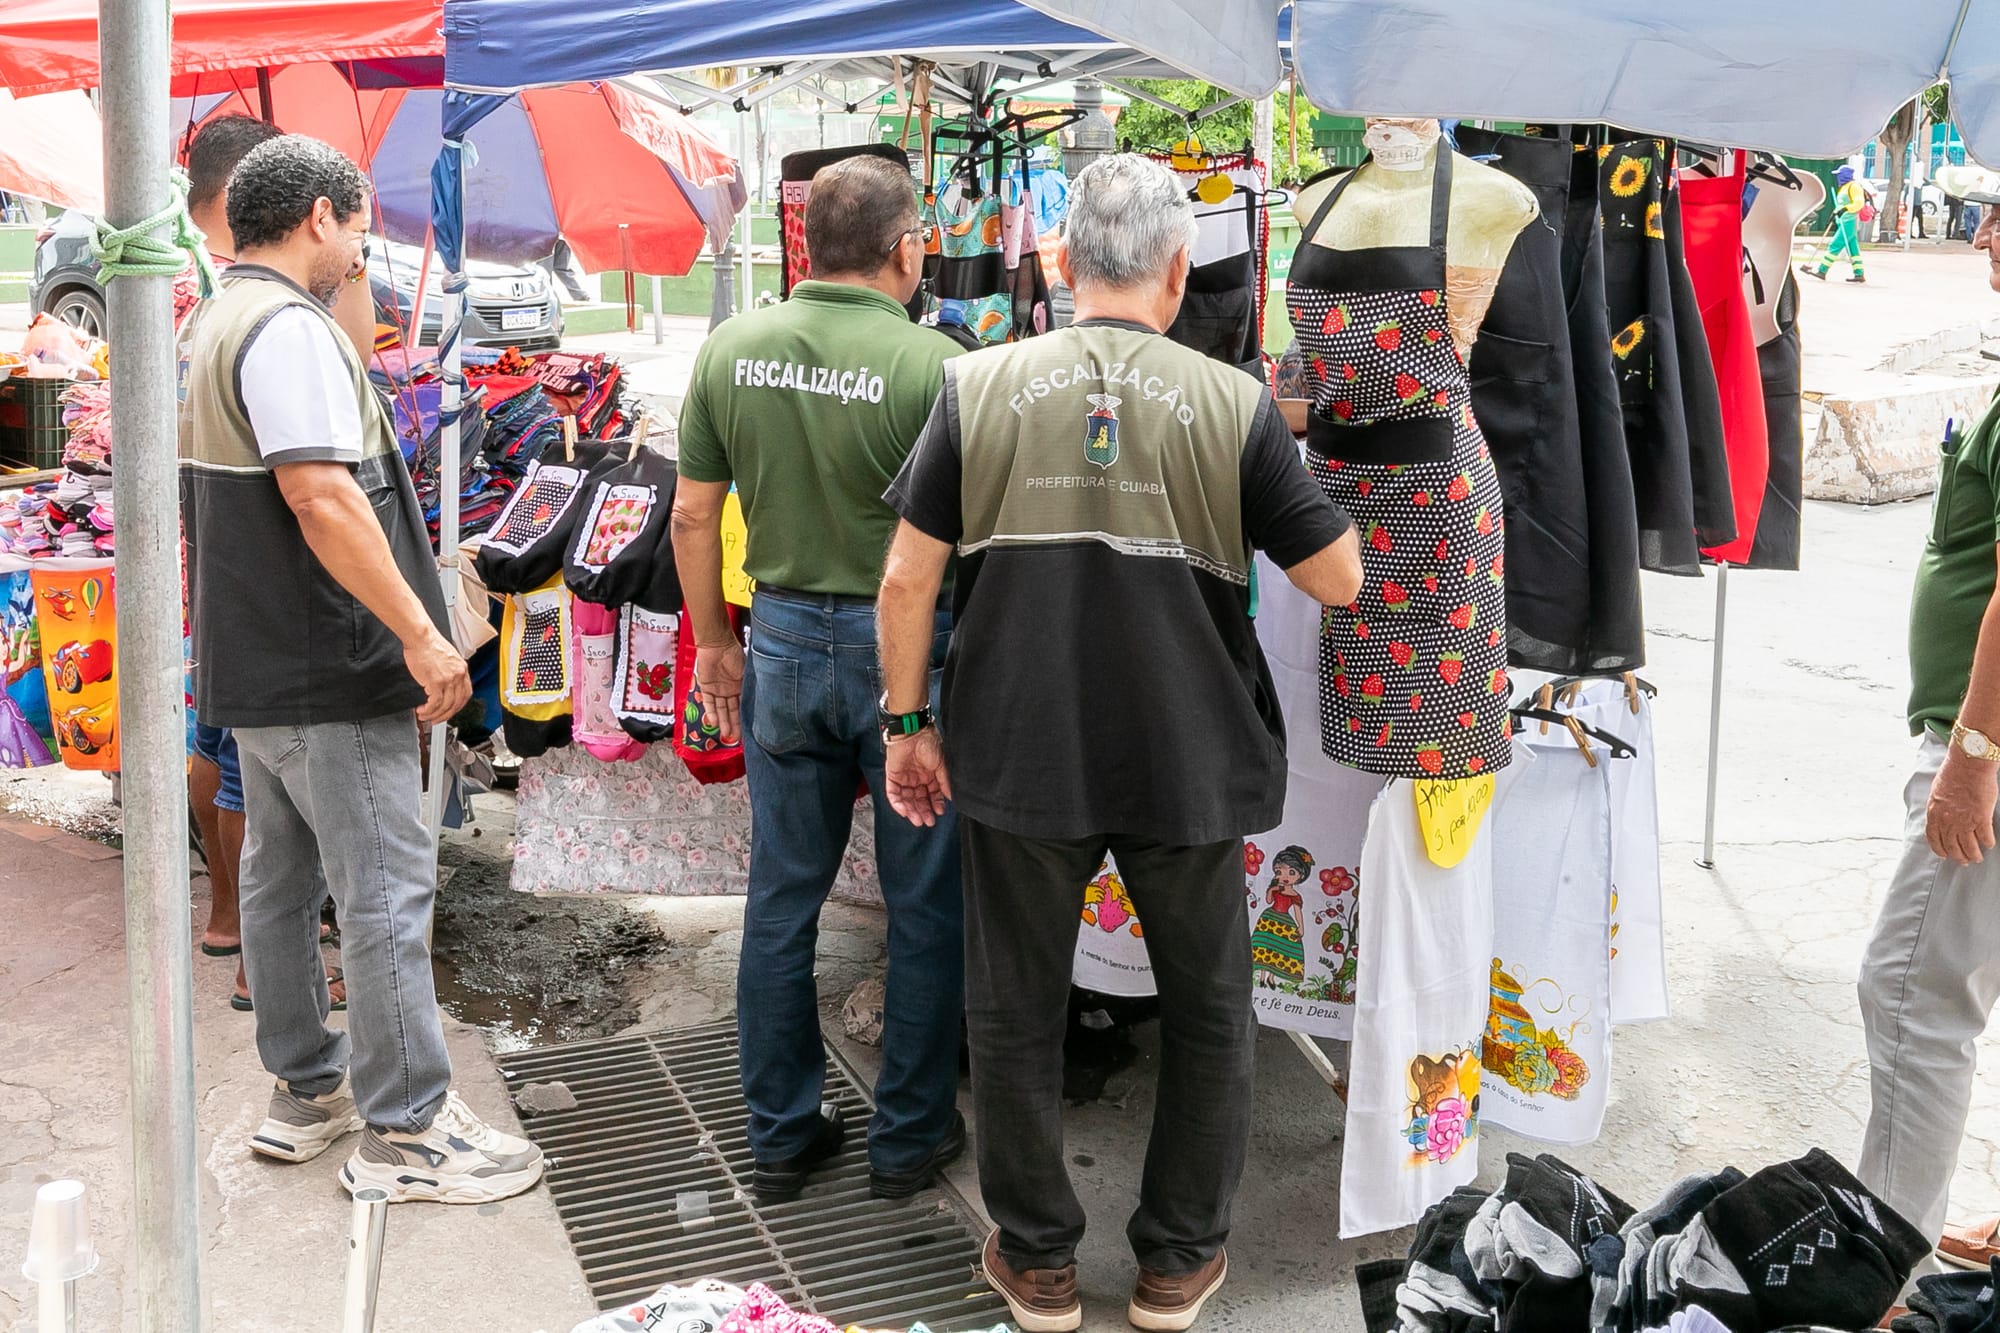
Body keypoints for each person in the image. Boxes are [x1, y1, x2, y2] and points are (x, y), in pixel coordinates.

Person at [875, 154, 1363, 1333]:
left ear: (1056, 263)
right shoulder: (1234, 401)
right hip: (1184, 755)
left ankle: (1037, 1262)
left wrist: (905, 724)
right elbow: (1338, 578)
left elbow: (904, 577)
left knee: (1013, 1006)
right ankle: (1176, 1264)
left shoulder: (975, 386)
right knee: (1206, 1009)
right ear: (1178, 268)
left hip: (1018, 745)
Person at [179, 134, 542, 1203]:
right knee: (383, 890)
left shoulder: (220, 315)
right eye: (355, 225)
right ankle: (409, 1128)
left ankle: (309, 1093)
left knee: (281, 884)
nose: (358, 248)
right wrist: (423, 636)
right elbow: (322, 497)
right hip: (326, 665)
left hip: (260, 659)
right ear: (320, 219)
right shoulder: (286, 328)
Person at [668, 155, 968, 1204]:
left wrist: (713, 637)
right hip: (905, 656)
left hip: (782, 641)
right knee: (924, 903)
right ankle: (906, 1141)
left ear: (803, 245)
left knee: (781, 896)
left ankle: (783, 1133)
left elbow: (692, 514)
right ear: (904, 247)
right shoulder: (936, 365)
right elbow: (957, 543)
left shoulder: (732, 348)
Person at [1859, 191, 2000, 1298]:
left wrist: (1972, 752)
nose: (1980, 237)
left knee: (1909, 993)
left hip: (1988, 744)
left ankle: (1876, 1265)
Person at [177, 113, 350, 1012]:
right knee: (251, 766)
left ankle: (230, 930)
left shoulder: (205, 292)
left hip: (217, 576)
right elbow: (318, 494)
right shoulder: (261, 306)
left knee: (220, 745)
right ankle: (255, 951)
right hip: (275, 600)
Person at [1806, 165, 1868, 284]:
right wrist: (1834, 214)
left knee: (1835, 245)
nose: (1838, 177)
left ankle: (1822, 271)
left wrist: (1845, 209)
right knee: (1853, 249)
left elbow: (1859, 203)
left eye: (1839, 174)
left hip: (1849, 220)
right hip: (1842, 220)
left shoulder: (1854, 187)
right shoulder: (1844, 187)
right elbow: (1840, 204)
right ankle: (1859, 273)